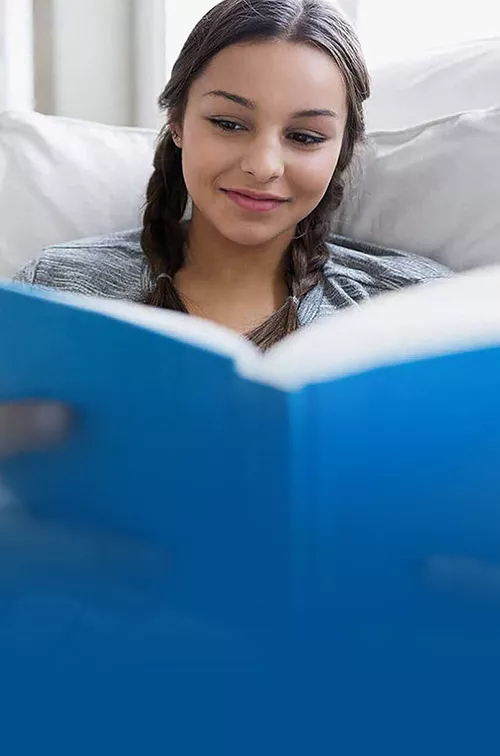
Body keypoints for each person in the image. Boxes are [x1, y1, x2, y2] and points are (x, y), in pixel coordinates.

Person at [4, 0, 450, 455]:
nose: (262, 166)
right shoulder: (58, 291)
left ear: (343, 149)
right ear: (176, 121)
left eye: (305, 137)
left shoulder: (413, 305)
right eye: (228, 123)